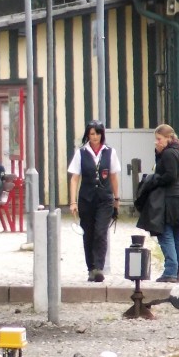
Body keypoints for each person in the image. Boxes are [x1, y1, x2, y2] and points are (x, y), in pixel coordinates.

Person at [134, 123, 179, 283]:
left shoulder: (168, 153)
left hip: (169, 199)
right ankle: (177, 269)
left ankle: (170, 271)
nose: (157, 142)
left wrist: (153, 180)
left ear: (168, 138)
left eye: (159, 139)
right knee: (176, 234)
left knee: (165, 234)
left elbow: (169, 175)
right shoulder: (178, 150)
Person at [67, 120, 121, 282]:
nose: (95, 137)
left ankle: (99, 267)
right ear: (88, 135)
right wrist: (73, 202)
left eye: (98, 133)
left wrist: (116, 198)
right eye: (92, 134)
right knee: (88, 233)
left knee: (100, 231)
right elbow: (74, 178)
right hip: (86, 199)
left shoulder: (110, 152)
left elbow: (113, 177)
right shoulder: (81, 152)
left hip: (105, 199)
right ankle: (90, 268)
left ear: (102, 134)